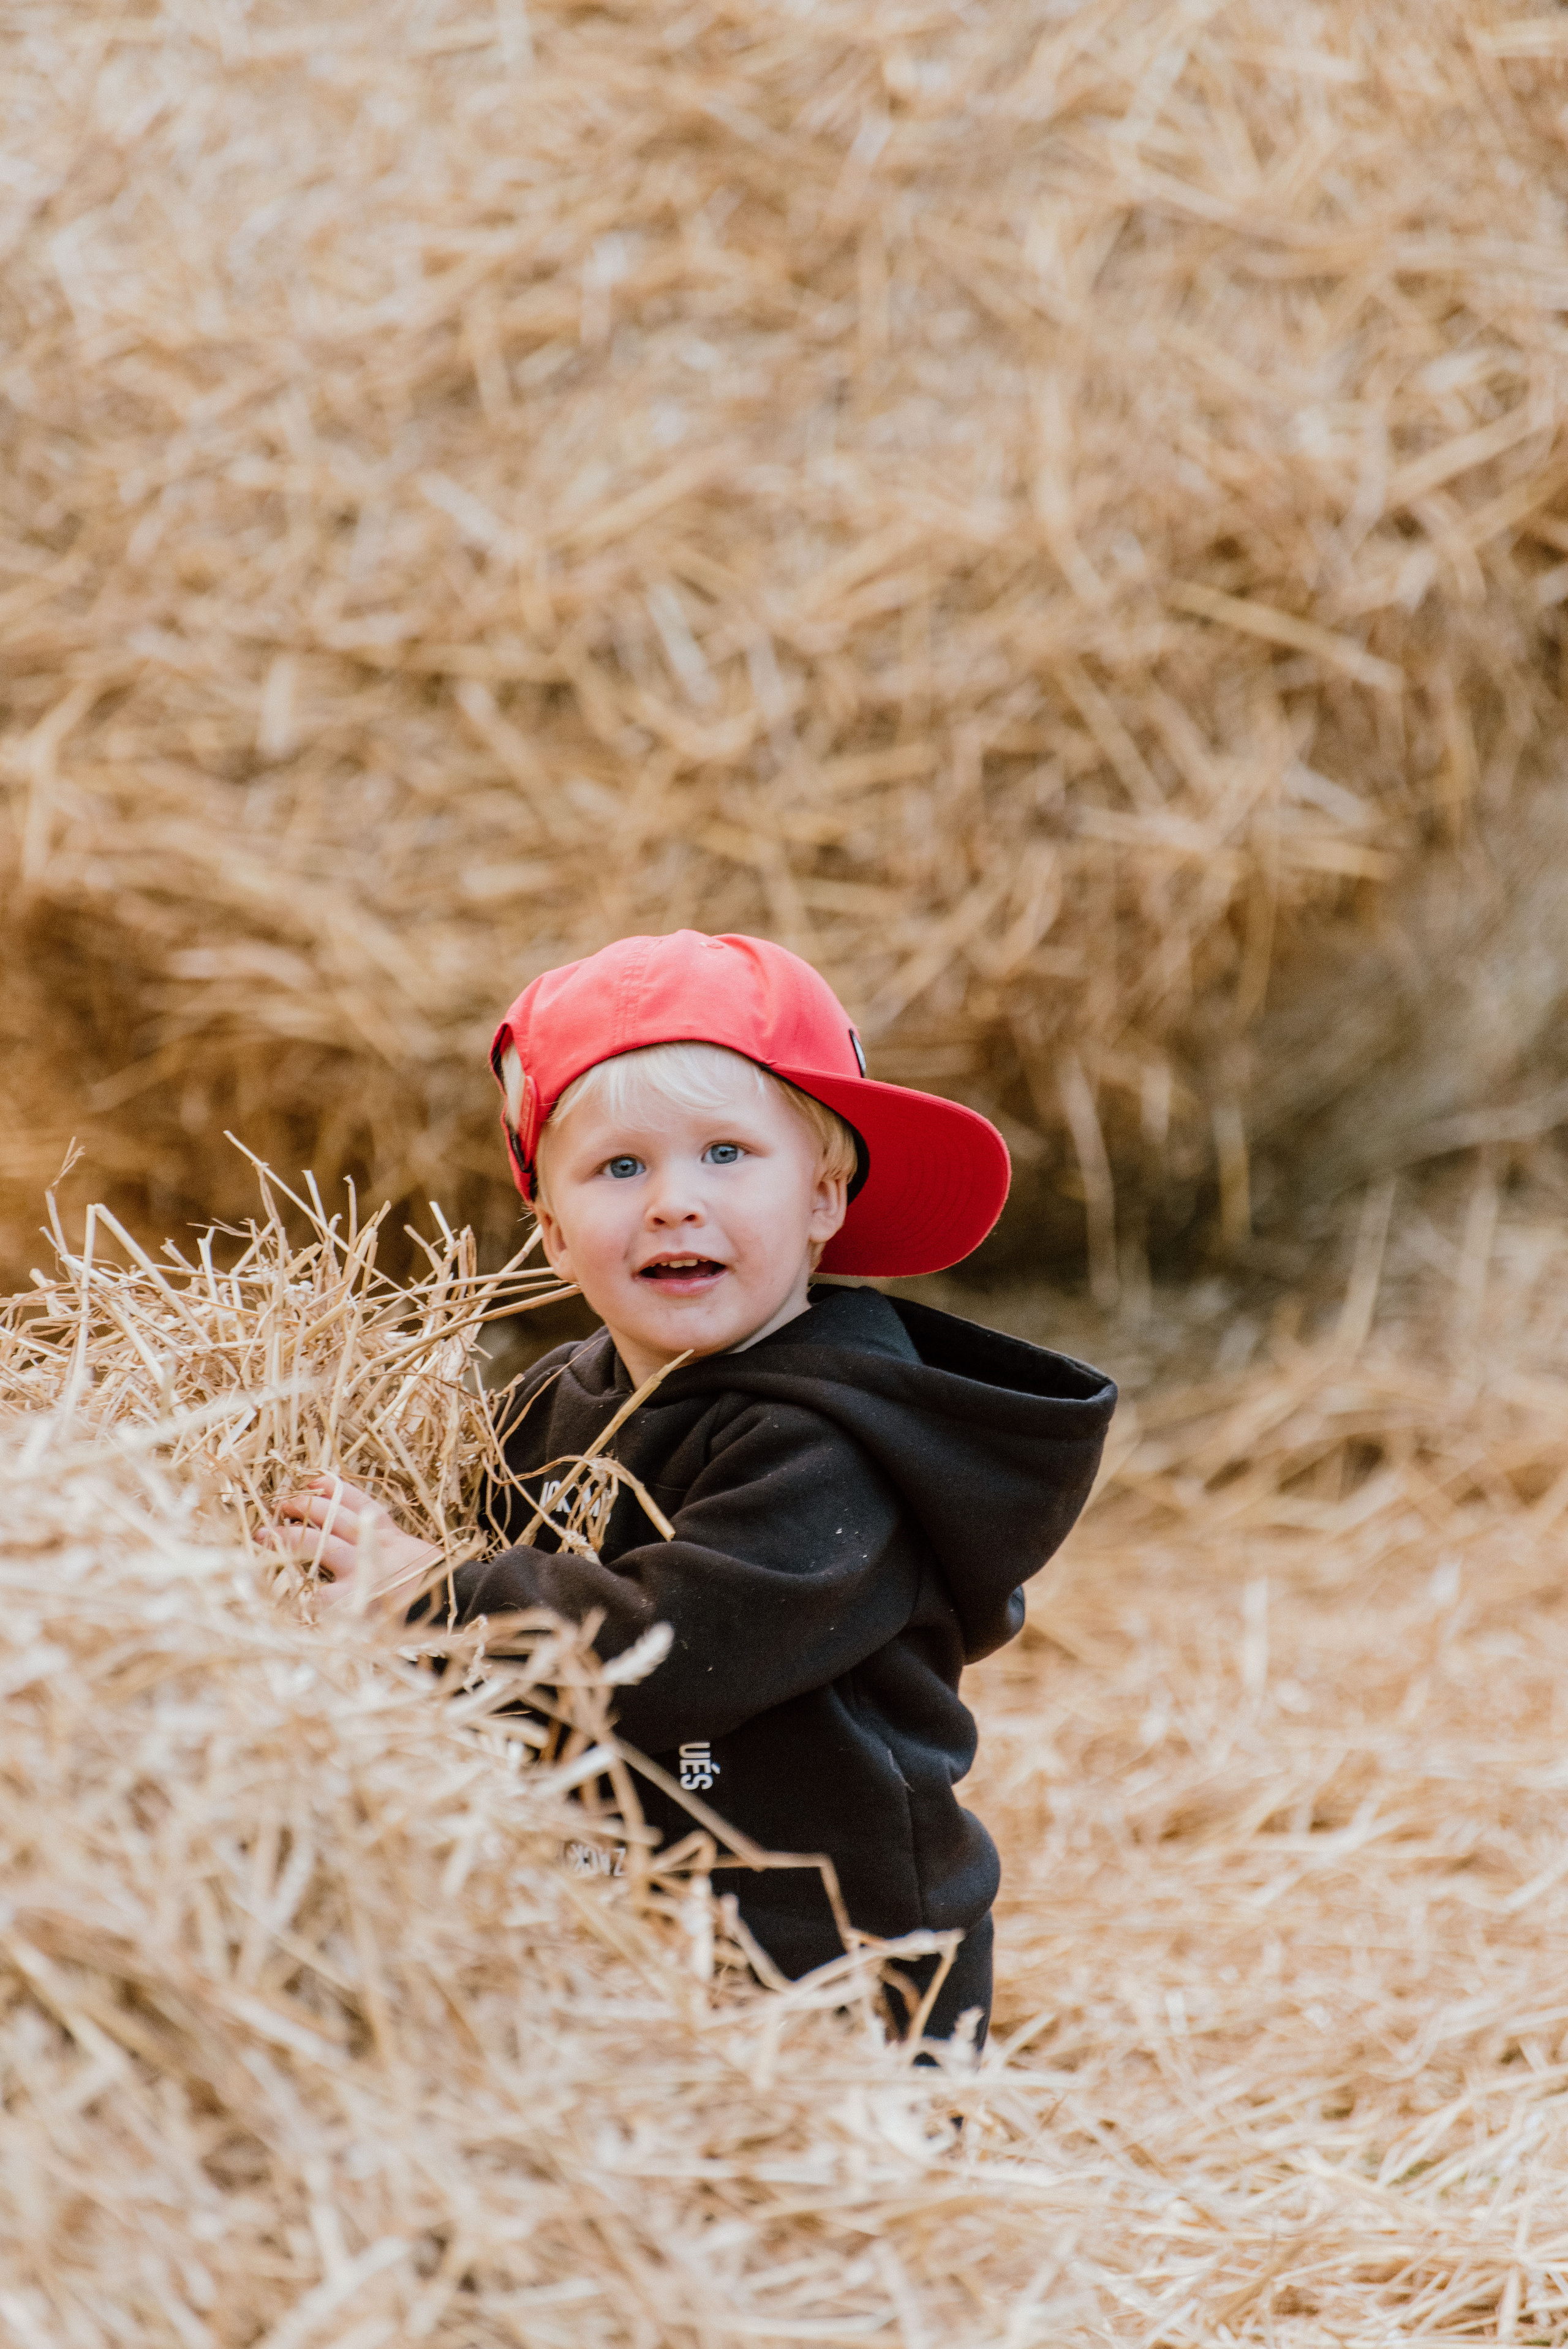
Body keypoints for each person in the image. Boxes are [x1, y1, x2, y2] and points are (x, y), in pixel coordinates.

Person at [279, 930, 1116, 2046]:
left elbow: (670, 1651)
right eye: (621, 1168)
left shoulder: (834, 1442)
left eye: (727, 1154)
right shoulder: (547, 1405)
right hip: (606, 1935)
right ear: (556, 1235)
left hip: (829, 1971)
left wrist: (435, 1601)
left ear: (825, 1197)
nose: (675, 1202)